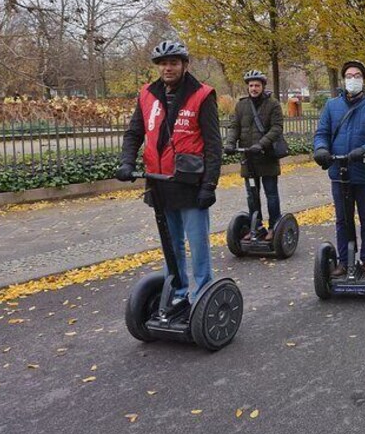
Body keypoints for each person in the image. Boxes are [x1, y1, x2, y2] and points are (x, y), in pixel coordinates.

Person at [116, 41, 222, 303]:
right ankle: (176, 293)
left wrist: (209, 185)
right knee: (171, 244)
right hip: (159, 182)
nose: (168, 68)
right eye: (163, 63)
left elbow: (213, 144)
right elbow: (134, 132)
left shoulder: (202, 95)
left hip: (190, 183)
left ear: (184, 65)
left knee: (197, 246)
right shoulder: (147, 94)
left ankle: (202, 296)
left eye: (173, 62)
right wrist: (127, 162)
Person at [313, 60, 365, 278]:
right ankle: (345, 261)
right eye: (349, 76)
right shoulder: (331, 106)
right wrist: (320, 149)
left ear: (364, 80)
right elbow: (322, 133)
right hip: (339, 172)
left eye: (357, 76)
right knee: (342, 219)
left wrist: (364, 150)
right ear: (343, 79)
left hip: (364, 172)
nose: (353, 79)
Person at [224, 69, 284, 240]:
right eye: (251, 85)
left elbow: (277, 128)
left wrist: (261, 143)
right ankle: (256, 226)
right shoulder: (241, 105)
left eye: (257, 85)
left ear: (263, 86)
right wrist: (229, 143)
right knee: (252, 195)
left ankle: (274, 226)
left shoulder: (273, 104)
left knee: (271, 193)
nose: (254, 88)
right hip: (248, 158)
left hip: (267, 156)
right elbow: (234, 126)